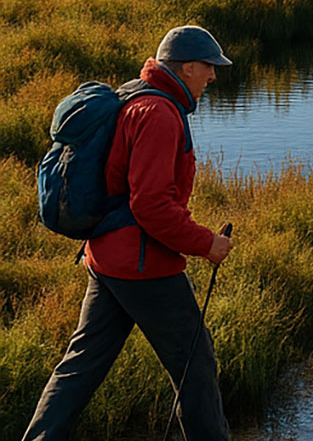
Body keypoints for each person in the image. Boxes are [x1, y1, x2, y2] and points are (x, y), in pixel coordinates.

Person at [23, 26, 238, 441]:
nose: (213, 77)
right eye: (210, 68)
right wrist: (207, 244)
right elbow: (151, 206)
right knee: (196, 364)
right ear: (188, 67)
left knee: (81, 366)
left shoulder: (135, 95)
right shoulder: (159, 114)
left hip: (107, 258)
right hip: (143, 267)